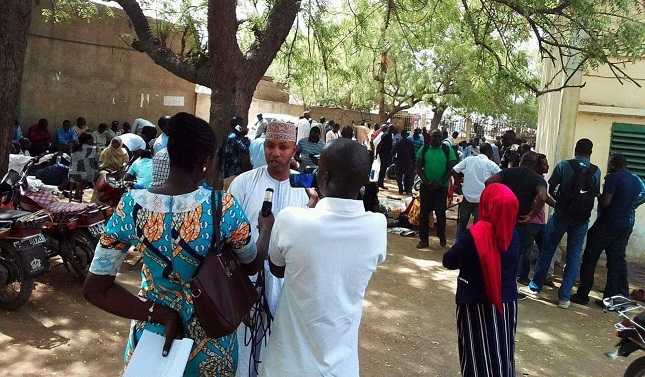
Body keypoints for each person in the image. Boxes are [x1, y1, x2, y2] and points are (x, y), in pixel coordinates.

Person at [83, 112, 271, 376]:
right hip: (212, 346)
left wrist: (160, 314)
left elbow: (95, 289)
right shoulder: (223, 206)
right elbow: (251, 265)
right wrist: (265, 232)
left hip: (153, 344)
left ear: (169, 153)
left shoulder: (131, 206)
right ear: (207, 162)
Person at [261, 138, 387, 376]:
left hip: (288, 364)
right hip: (341, 367)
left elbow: (278, 269)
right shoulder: (377, 227)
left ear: (324, 178)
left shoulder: (291, 219)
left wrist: (267, 229)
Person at [228, 121, 310, 377]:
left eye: (283, 147)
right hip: (245, 280)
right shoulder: (243, 183)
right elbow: (227, 239)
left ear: (293, 150)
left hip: (286, 287)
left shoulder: (305, 189)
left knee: (277, 354)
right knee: (242, 353)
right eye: (270, 146)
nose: (275, 153)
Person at [442, 183, 520, 377]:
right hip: (506, 304)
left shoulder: (474, 236)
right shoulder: (513, 233)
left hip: (475, 304)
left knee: (477, 354)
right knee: (502, 353)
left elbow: (449, 261)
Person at [522, 139, 601, 309]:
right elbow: (595, 193)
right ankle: (564, 297)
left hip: (561, 215)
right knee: (573, 257)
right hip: (581, 220)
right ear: (590, 152)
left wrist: (561, 203)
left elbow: (550, 187)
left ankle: (536, 287)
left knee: (547, 251)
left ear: (576, 150)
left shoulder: (564, 165)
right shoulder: (596, 171)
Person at [572, 153, 645, 305]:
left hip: (607, 224)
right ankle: (610, 299)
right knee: (615, 262)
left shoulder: (613, 178)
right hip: (625, 226)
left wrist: (598, 194)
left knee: (590, 258)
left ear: (612, 164)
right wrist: (632, 205)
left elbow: (606, 203)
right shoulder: (636, 180)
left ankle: (582, 294)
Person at [485, 151, 547, 297]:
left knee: (497, 251)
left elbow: (488, 182)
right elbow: (542, 197)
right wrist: (531, 215)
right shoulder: (537, 179)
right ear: (535, 164)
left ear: (522, 160)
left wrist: (495, 203)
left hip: (502, 219)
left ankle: (492, 284)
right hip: (521, 221)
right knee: (515, 255)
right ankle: (507, 288)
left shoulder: (508, 172)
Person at [416, 129, 458, 248]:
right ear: (431, 137)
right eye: (435, 136)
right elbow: (418, 168)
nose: (437, 139)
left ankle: (441, 234)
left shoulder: (447, 149)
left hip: (441, 187)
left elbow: (451, 169)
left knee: (440, 213)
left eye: (439, 136)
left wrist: (440, 183)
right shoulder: (423, 149)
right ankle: (424, 240)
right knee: (424, 213)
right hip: (426, 186)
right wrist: (426, 182)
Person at [452, 143, 501, 241]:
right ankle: (474, 246)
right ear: (489, 152)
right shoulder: (490, 164)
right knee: (478, 225)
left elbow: (454, 170)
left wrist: (458, 184)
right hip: (481, 200)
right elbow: (501, 176)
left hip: (467, 197)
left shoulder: (469, 159)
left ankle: (458, 243)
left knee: (462, 222)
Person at [90, 137, 130, 203]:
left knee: (121, 182)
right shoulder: (107, 151)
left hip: (119, 171)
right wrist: (108, 168)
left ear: (120, 144)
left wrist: (123, 165)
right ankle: (98, 200)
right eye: (113, 143)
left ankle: (113, 201)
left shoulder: (124, 152)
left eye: (117, 144)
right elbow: (101, 162)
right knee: (104, 177)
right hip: (106, 169)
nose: (115, 145)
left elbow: (126, 162)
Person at [218, 116, 251, 188]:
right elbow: (246, 150)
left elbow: (219, 152)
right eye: (242, 125)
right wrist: (245, 138)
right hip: (232, 173)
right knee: (230, 197)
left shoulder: (228, 136)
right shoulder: (234, 138)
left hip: (225, 173)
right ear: (238, 127)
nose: (243, 127)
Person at [66, 132, 99, 200]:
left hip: (72, 173)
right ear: (88, 140)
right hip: (85, 174)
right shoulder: (92, 149)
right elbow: (97, 160)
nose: (93, 140)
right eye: (92, 139)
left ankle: (77, 193)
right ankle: (96, 194)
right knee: (98, 174)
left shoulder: (75, 147)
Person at [392, 129, 415, 195]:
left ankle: (400, 189)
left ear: (401, 135)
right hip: (408, 162)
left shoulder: (398, 142)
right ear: (407, 135)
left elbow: (393, 152)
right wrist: (413, 160)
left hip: (399, 161)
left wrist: (394, 159)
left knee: (399, 175)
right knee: (407, 176)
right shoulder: (410, 142)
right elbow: (413, 152)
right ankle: (407, 190)